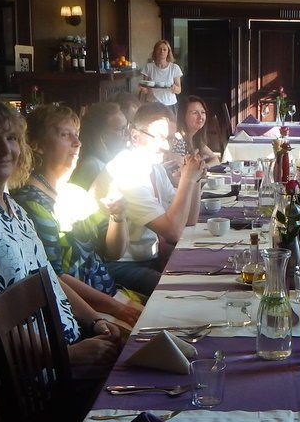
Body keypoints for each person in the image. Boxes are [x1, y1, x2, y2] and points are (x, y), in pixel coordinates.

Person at [0, 97, 122, 366]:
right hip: (26, 373)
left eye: (12, 138)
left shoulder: (11, 206)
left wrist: (95, 320)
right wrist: (68, 356)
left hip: (63, 351)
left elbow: (49, 277)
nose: (6, 149)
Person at [13, 104, 143, 329]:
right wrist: (116, 309)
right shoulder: (30, 203)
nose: (77, 143)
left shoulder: (74, 192)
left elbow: (113, 252)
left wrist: (118, 217)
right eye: (65, 135)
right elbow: (53, 277)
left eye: (77, 134)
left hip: (111, 297)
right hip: (84, 315)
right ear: (36, 145)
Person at [90, 102, 204, 294]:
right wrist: (187, 180)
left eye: (170, 139)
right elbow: (173, 232)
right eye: (160, 137)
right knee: (180, 292)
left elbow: (189, 220)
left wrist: (195, 178)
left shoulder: (155, 168)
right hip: (120, 265)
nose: (166, 146)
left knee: (204, 269)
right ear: (135, 136)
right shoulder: (126, 170)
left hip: (152, 257)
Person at [70, 101, 127, 189]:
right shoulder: (92, 166)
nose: (127, 133)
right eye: (121, 129)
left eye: (127, 126)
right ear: (102, 136)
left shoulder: (115, 159)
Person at [172, 95, 221, 166]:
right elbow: (179, 168)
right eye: (195, 113)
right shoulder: (178, 140)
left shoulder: (195, 138)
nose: (200, 117)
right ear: (183, 116)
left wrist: (205, 166)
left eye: (203, 112)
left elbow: (215, 159)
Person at [139, 40, 183, 113]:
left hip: (169, 104)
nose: (162, 51)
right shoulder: (148, 67)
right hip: (152, 104)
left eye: (164, 49)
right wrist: (143, 89)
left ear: (168, 52)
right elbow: (145, 88)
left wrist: (175, 88)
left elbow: (179, 90)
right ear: (155, 51)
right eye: (159, 49)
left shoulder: (174, 68)